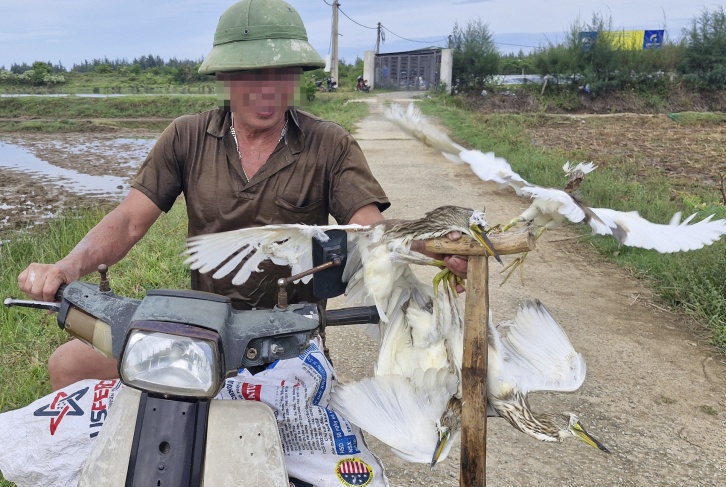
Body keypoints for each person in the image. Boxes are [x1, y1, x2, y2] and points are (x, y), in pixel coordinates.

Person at [17, 0, 467, 391]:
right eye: (252, 73)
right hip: (200, 333)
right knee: (68, 365)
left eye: (281, 74)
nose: (267, 89)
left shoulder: (328, 144)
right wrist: (64, 267)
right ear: (227, 76)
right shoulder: (187, 137)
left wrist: (425, 246)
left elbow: (370, 230)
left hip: (287, 341)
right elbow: (130, 220)